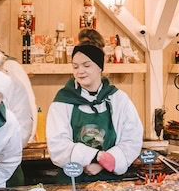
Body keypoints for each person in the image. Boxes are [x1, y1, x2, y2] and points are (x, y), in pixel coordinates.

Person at [46, 43, 144, 182]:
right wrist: (95, 157)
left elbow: (132, 139)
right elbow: (57, 145)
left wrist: (104, 163)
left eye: (86, 66)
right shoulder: (63, 100)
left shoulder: (118, 98)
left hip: (110, 182)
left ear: (100, 67)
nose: (80, 71)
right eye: (75, 66)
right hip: (72, 181)